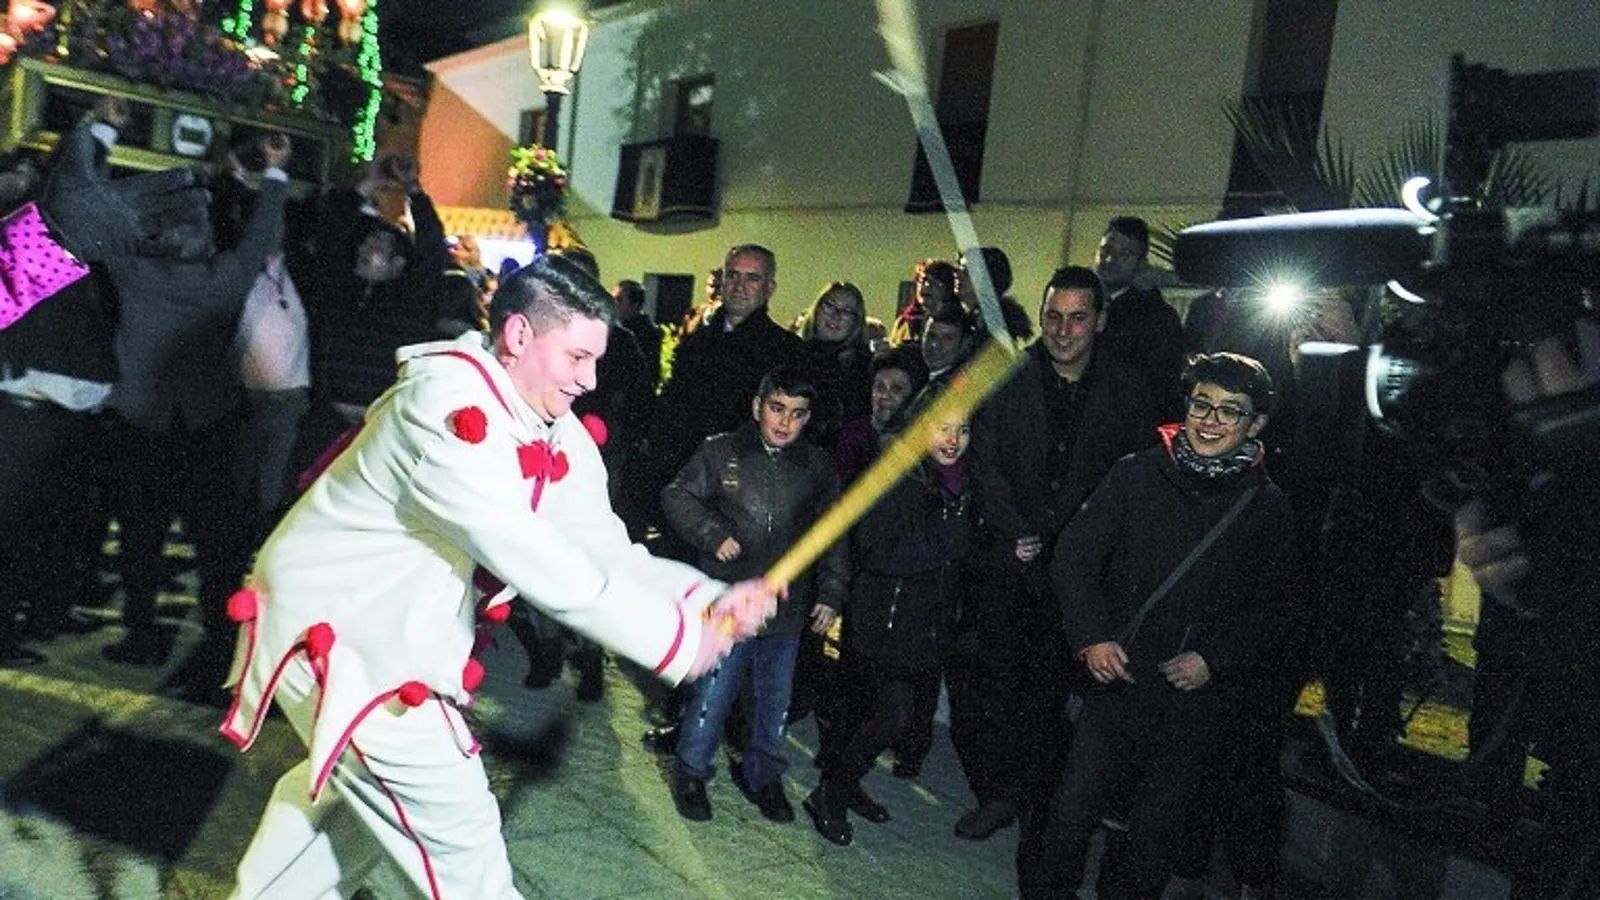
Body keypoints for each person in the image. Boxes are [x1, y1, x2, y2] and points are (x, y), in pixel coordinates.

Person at [225, 256, 777, 898]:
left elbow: (604, 549)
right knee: (461, 839)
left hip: (392, 634)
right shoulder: (442, 413)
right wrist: (677, 640)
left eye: (595, 361)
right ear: (518, 336)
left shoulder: (552, 427)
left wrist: (708, 599)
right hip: (339, 636)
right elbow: (538, 560)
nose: (589, 381)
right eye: (576, 358)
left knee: (351, 810)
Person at [1016, 353, 1300, 900]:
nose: (1211, 421)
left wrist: (1214, 660)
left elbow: (1276, 609)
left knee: (1151, 843)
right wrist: (1091, 637)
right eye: (1202, 404)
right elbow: (1073, 559)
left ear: (1255, 424)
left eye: (1230, 411)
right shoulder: (1135, 474)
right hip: (1113, 687)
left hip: (1188, 705)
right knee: (1067, 823)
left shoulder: (1265, 508)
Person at [950, 266, 1160, 840]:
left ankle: (1039, 801)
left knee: (1052, 697)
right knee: (993, 688)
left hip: (1081, 578)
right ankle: (996, 794)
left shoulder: (1128, 392)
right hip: (1008, 565)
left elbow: (1133, 480)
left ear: (1100, 320)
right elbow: (984, 462)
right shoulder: (1007, 377)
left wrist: (1084, 551)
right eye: (1052, 316)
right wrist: (1013, 530)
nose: (1063, 330)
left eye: (1076, 317)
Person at [661, 366, 848, 824]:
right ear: (757, 406)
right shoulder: (721, 452)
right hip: (728, 603)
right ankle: (690, 770)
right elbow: (677, 494)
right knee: (713, 692)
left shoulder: (816, 468)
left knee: (774, 701)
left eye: (798, 414)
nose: (785, 423)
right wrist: (711, 533)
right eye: (776, 409)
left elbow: (832, 534)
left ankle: (763, 773)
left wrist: (832, 590)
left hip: (785, 611)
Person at [808, 403, 974, 846]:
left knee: (870, 715)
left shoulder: (960, 487)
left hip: (922, 629)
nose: (952, 440)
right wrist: (947, 543)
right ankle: (829, 792)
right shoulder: (894, 475)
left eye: (962, 430)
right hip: (880, 621)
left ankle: (845, 783)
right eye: (943, 428)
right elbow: (879, 552)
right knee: (892, 715)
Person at [1095, 216, 1183, 409]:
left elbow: (1162, 389)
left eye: (1124, 255)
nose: (1110, 260)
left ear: (1141, 262)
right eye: (1106, 251)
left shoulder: (1158, 320)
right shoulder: (1081, 306)